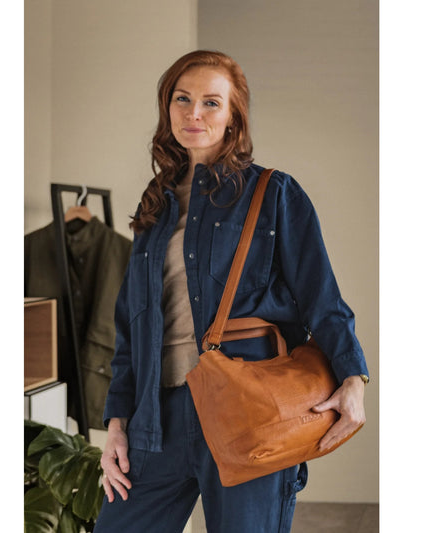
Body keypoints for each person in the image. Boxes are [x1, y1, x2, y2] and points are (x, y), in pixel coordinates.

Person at [94, 50, 368, 533]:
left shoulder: (274, 193)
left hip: (247, 413)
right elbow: (129, 326)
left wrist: (353, 378)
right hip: (157, 420)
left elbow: (321, 296)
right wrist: (118, 423)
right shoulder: (155, 205)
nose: (194, 114)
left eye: (211, 102)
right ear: (167, 108)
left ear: (233, 117)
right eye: (182, 99)